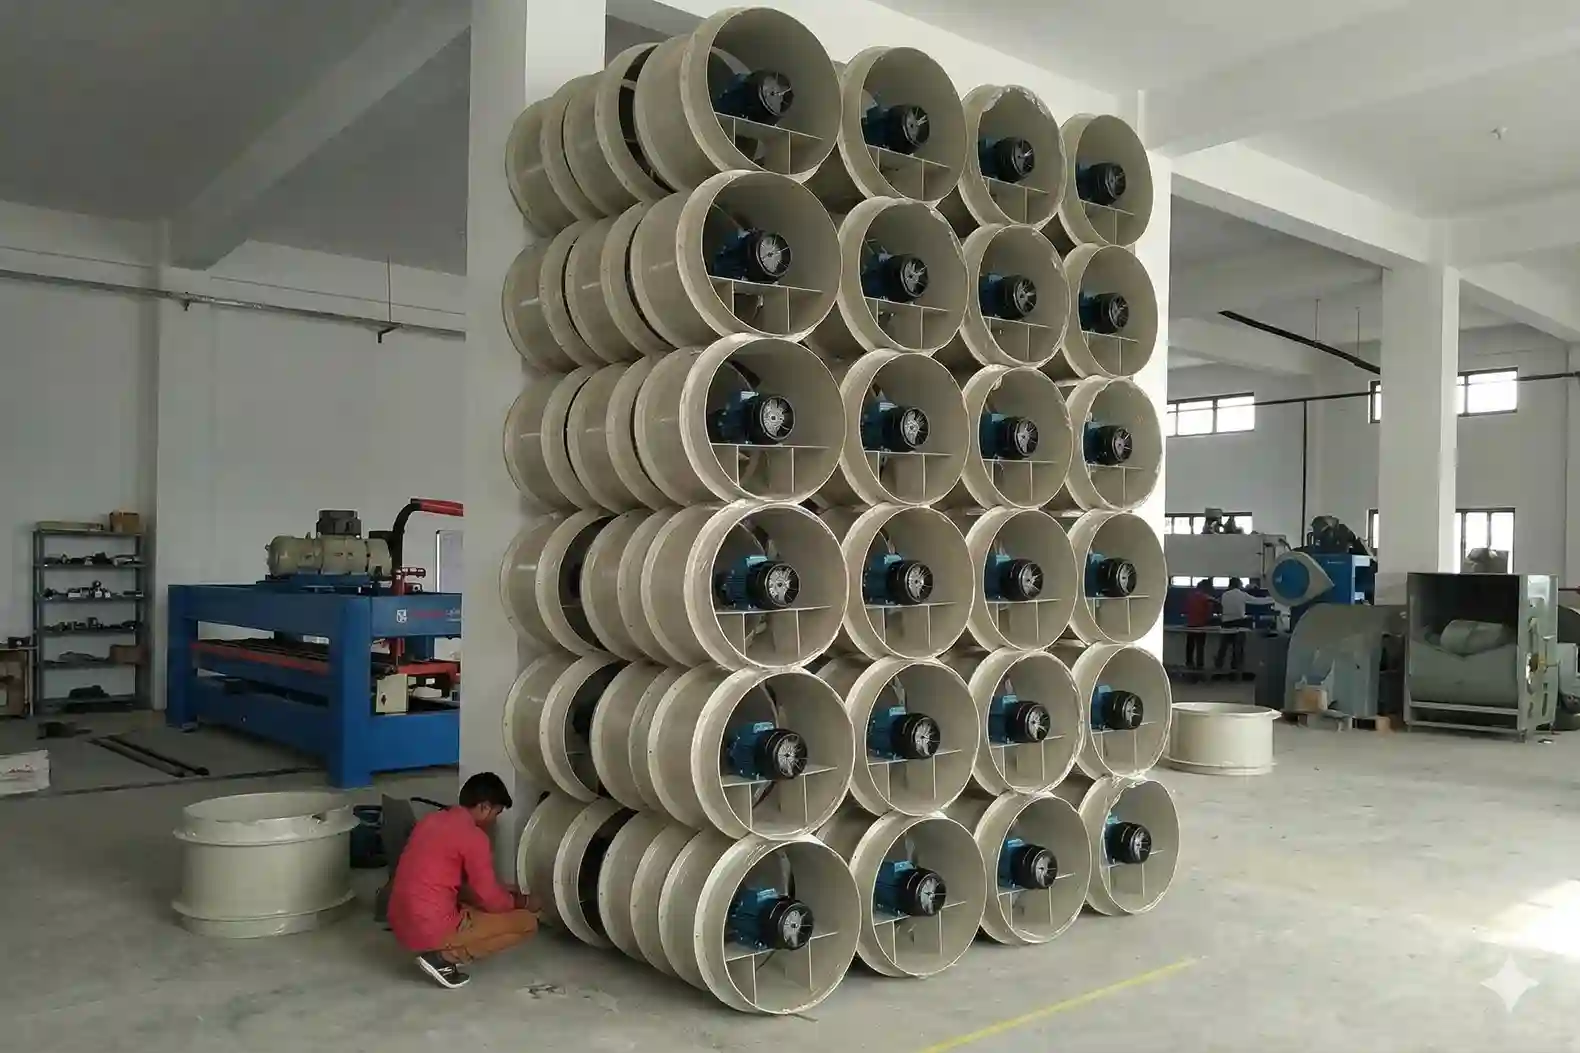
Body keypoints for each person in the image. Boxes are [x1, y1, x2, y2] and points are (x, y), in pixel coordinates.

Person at [388, 772, 540, 989]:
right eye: (495, 813)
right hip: (428, 929)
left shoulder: (431, 820)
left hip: (400, 922)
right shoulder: (474, 837)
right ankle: (444, 958)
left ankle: (442, 944)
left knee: (477, 904)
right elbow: (490, 899)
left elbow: (457, 882)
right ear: (484, 807)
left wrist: (503, 891)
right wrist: (523, 902)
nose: (493, 821)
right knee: (526, 923)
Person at [1215, 577, 1273, 672]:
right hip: (1239, 625)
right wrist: (1273, 599)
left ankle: (1217, 669)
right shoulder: (1241, 595)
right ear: (1238, 585)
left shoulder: (1224, 595)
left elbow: (1219, 608)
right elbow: (1257, 601)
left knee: (1222, 650)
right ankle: (1236, 672)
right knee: (1238, 650)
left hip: (1226, 626)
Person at [1182, 579, 1216, 671]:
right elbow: (1209, 613)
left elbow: (1186, 610)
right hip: (1201, 625)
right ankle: (1199, 668)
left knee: (1190, 647)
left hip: (1190, 625)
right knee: (1200, 648)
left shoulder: (1190, 596)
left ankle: (1189, 665)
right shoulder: (1207, 598)